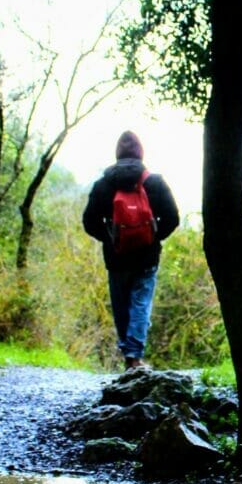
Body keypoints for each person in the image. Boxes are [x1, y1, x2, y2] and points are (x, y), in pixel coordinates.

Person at [83, 130, 179, 370]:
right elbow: (172, 218)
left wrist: (110, 239)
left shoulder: (104, 184)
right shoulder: (154, 182)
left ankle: (130, 355)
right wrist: (154, 237)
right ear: (141, 153)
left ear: (117, 154)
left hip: (116, 259)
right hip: (147, 257)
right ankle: (133, 357)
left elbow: (89, 222)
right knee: (140, 305)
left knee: (122, 306)